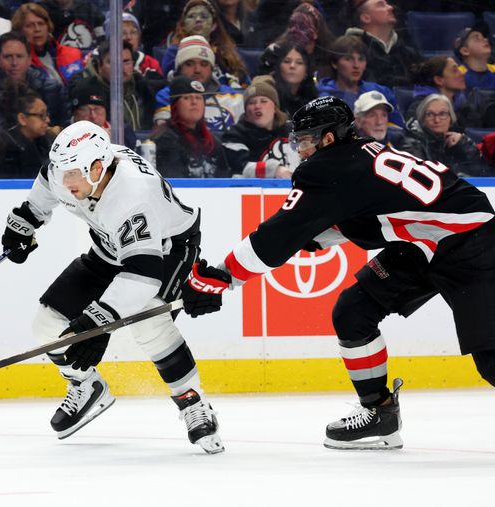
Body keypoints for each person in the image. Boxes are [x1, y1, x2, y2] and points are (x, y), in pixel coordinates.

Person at [181, 95, 495, 451]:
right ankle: (380, 412)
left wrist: (222, 278)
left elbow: (274, 238)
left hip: (472, 242)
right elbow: (364, 213)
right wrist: (310, 237)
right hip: (425, 241)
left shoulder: (328, 168)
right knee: (354, 311)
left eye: (306, 139)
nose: (300, 148)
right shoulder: (358, 152)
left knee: (491, 360)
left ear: (328, 138)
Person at [0, 120, 224, 454]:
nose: (66, 182)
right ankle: (86, 385)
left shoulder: (132, 196)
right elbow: (48, 179)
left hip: (167, 250)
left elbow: (143, 274)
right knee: (46, 325)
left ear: (98, 166)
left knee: (149, 322)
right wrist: (27, 218)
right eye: (63, 171)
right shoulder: (69, 174)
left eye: (73, 173)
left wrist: (99, 321)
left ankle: (192, 402)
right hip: (110, 248)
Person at [0, 31, 69, 131]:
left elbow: (65, 129)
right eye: (8, 57)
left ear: (29, 59)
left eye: (19, 56)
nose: (14, 63)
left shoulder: (51, 88)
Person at [153, 35, 243, 131]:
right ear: (179, 69)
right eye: (189, 64)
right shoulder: (167, 96)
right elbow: (165, 134)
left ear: (212, 69)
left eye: (204, 64)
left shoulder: (234, 96)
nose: (197, 70)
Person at [68, 40, 156, 131]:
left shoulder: (143, 87)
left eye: (126, 62)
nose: (120, 68)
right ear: (100, 66)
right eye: (113, 62)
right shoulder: (85, 92)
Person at [151, 76, 230, 178]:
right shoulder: (164, 139)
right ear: (175, 105)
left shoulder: (213, 142)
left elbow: (224, 180)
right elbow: (174, 183)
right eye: (187, 98)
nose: (194, 102)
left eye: (198, 98)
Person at [317, 35, 403, 128]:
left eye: (361, 59)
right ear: (334, 63)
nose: (356, 65)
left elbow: (398, 128)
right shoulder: (323, 98)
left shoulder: (380, 92)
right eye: (349, 59)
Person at [222, 75, 298, 178]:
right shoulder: (234, 135)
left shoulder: (294, 131)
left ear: (275, 108)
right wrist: (275, 170)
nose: (257, 106)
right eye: (251, 103)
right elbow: (241, 167)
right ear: (246, 111)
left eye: (263, 101)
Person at [400, 94, 491, 177]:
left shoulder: (459, 141)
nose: (437, 120)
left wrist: (464, 145)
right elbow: (420, 177)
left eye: (442, 114)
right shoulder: (413, 143)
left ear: (451, 119)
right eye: (430, 114)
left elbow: (482, 173)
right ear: (422, 119)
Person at [162, 0, 247, 87]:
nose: (198, 20)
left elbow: (244, 81)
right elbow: (171, 82)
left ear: (214, 25)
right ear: (184, 24)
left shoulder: (226, 52)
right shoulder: (174, 52)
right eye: (191, 16)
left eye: (204, 16)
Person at [0, 85, 53, 179]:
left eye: (46, 114)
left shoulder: (46, 142)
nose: (47, 120)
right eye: (41, 115)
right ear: (22, 119)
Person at [0, 3, 84, 85]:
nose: (37, 29)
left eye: (41, 24)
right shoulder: (13, 59)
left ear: (48, 27)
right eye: (29, 25)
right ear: (19, 31)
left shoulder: (72, 54)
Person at [344, 0, 422, 88]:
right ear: (366, 18)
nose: (390, 8)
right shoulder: (351, 49)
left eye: (387, 4)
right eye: (381, 5)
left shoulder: (407, 51)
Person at [407, 56, 474, 128]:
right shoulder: (420, 108)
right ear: (439, 80)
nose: (462, 73)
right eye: (455, 71)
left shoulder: (464, 106)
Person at [69, 81, 136, 151]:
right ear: (75, 112)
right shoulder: (61, 132)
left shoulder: (122, 133)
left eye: (97, 109)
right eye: (86, 110)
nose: (93, 116)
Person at [36, 0, 105, 55]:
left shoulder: (90, 9)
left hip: (87, 61)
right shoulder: (40, 10)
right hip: (54, 61)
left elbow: (102, 41)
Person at [269, 42, 318, 117]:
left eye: (299, 62)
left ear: (306, 72)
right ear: (278, 67)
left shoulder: (312, 99)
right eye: (287, 61)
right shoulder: (269, 96)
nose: (292, 66)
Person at [119, 12, 163, 80]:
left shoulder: (150, 63)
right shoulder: (106, 64)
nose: (129, 37)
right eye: (123, 33)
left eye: (133, 32)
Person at [453, 22, 495, 92]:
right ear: (465, 51)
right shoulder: (458, 75)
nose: (485, 39)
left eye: (484, 37)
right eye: (477, 38)